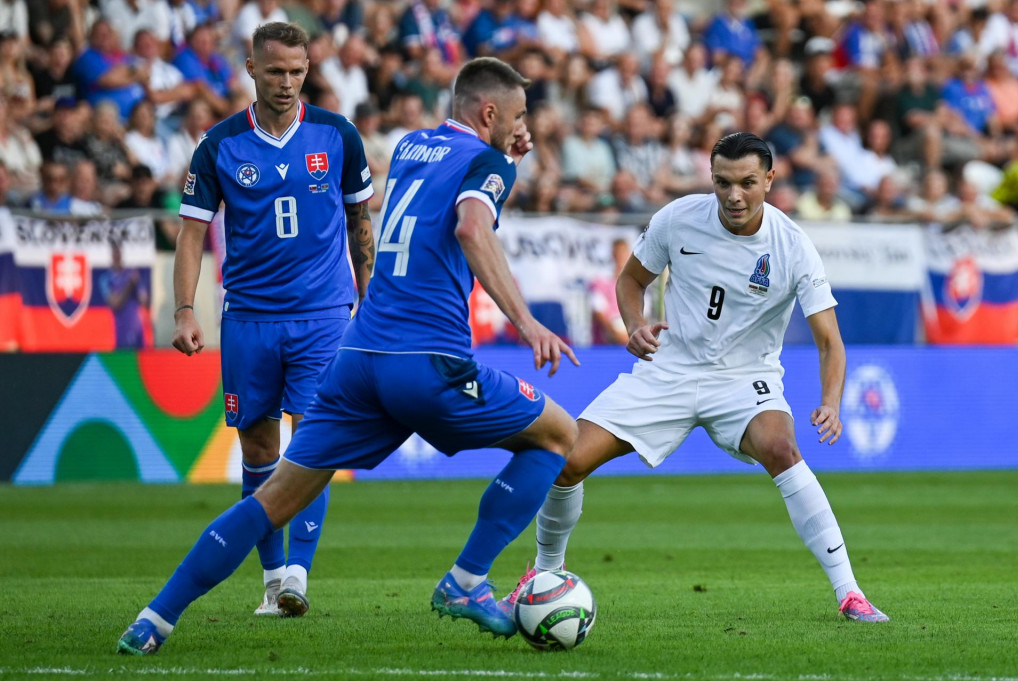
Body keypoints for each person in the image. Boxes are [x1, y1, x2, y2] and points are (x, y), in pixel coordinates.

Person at [117, 55, 580, 655]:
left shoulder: (415, 146)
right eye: (517, 117)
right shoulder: (489, 162)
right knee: (557, 435)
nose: (523, 128)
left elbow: (454, 186)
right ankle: (466, 581)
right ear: (490, 112)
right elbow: (470, 226)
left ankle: (155, 619)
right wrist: (526, 321)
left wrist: (507, 158)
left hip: (358, 355)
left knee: (271, 499)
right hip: (428, 360)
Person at [503, 132, 890, 624]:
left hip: (744, 378)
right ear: (711, 178)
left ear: (770, 180)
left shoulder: (793, 246)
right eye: (723, 183)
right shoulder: (678, 218)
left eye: (748, 183)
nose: (734, 195)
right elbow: (630, 282)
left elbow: (830, 341)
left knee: (781, 449)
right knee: (567, 462)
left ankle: (850, 592)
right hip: (670, 370)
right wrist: (635, 326)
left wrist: (831, 401)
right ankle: (544, 575)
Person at [166, 22, 375, 622]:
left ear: (309, 69)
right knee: (258, 447)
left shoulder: (338, 135)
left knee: (315, 440)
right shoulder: (220, 144)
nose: (287, 83)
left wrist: (371, 304)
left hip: (324, 315)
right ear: (252, 69)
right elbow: (191, 234)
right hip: (250, 317)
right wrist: (186, 310)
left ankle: (299, 575)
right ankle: (272, 578)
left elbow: (362, 223)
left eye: (298, 71)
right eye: (276, 71)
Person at [100, 241, 148, 349]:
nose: (117, 256)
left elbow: (143, 300)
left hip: (137, 328)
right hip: (119, 330)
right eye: (114, 253)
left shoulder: (132, 274)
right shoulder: (105, 279)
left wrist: (136, 284)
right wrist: (129, 285)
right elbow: (115, 304)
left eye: (119, 253)